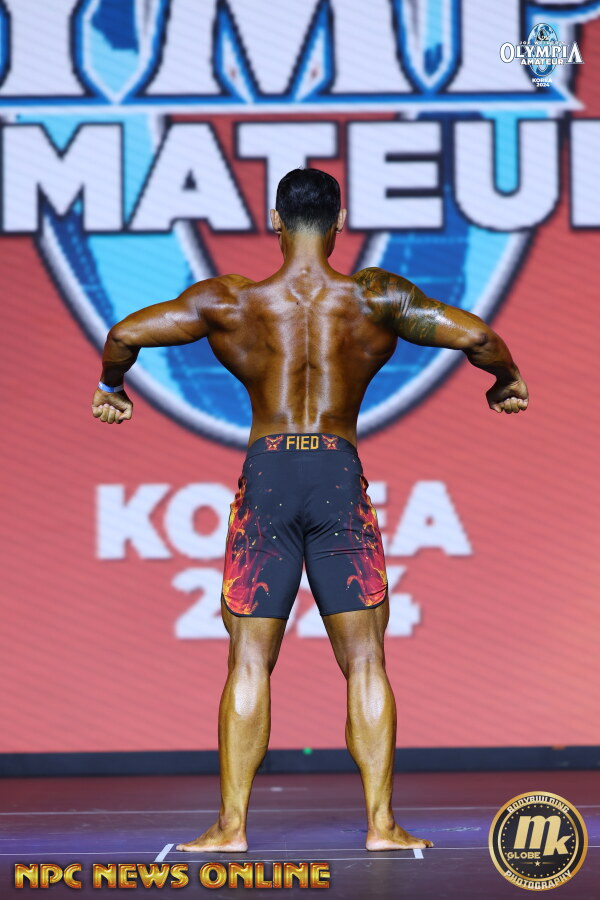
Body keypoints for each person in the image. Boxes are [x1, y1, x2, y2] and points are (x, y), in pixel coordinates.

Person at [91, 168, 528, 852]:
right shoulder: (374, 296)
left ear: (274, 219)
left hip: (267, 475)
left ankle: (232, 828)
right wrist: (505, 380)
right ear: (340, 222)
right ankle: (381, 825)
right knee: (365, 659)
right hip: (335, 475)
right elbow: (477, 338)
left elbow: (124, 334)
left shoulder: (231, 301)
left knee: (247, 659)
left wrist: (112, 386)